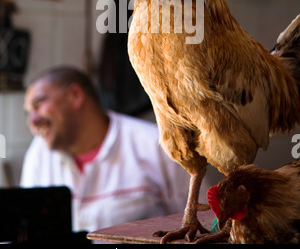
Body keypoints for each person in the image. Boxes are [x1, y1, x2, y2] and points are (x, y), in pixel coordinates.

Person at [20, 65, 190, 234]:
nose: (32, 120)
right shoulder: (38, 155)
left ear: (75, 96)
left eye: (39, 104)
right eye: (28, 112)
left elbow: (198, 224)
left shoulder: (156, 145)